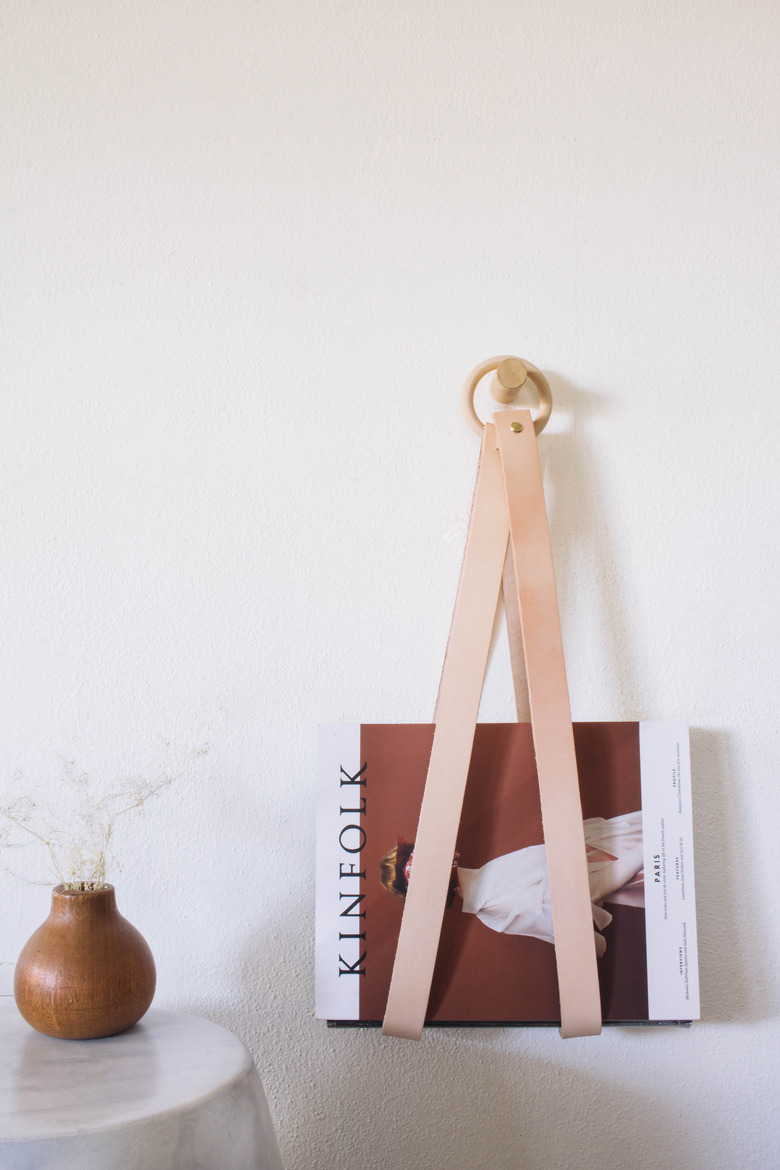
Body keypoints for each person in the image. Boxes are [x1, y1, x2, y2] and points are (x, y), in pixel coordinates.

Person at [379, 811, 644, 957]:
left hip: (618, 844)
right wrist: (642, 854)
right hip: (634, 862)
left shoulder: (485, 876)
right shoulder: (490, 904)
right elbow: (574, 898)